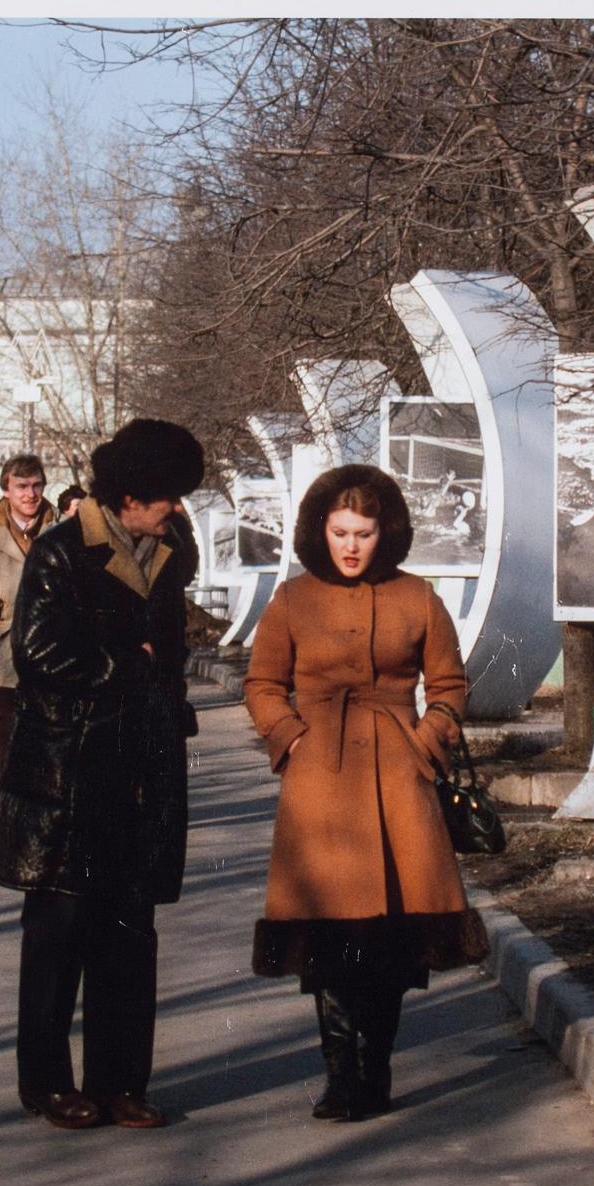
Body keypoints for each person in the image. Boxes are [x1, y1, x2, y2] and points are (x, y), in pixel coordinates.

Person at [243, 463, 490, 1121]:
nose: (350, 546)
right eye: (339, 532)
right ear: (319, 532)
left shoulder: (419, 599)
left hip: (397, 783)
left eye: (364, 533)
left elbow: (449, 686)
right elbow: (262, 684)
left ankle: (373, 1069)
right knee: (329, 946)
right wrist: (290, 738)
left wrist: (426, 742)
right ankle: (339, 1077)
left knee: (388, 946)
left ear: (388, 533)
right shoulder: (292, 600)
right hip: (319, 785)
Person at [0, 419, 204, 1130]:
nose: (174, 509)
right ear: (129, 496)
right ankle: (47, 1084)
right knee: (58, 931)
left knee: (130, 931)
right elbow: (38, 652)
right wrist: (127, 661)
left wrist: (154, 672)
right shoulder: (60, 552)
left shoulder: (170, 554)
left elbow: (170, 647)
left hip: (141, 767)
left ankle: (121, 1081)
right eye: (165, 498)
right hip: (70, 770)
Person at [0, 453, 58, 834]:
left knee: (49, 733)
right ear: (6, 490)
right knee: (5, 736)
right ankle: (1, 812)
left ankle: (43, 812)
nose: (31, 494)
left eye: (37, 485)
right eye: (22, 486)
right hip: (3, 647)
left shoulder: (61, 528)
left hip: (52, 647)